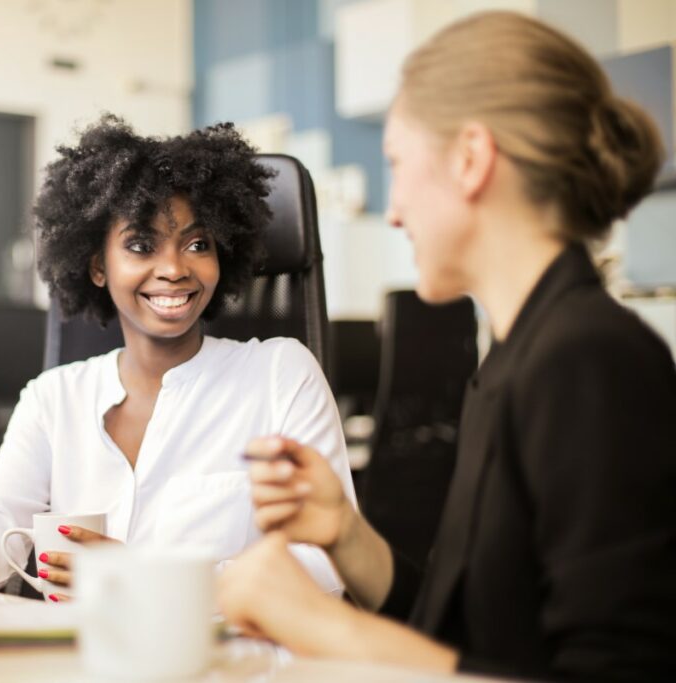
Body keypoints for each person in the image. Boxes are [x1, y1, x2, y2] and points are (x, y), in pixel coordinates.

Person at [218, 11, 676, 682]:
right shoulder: (512, 361)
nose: (395, 209)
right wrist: (344, 531)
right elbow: (459, 636)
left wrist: (321, 624)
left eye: (398, 164)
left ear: (470, 159)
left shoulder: (589, 360)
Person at [0, 115, 356, 600]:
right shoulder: (54, 396)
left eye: (197, 244)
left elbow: (326, 562)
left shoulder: (280, 373)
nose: (174, 268)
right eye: (142, 245)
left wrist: (152, 576)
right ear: (97, 266)